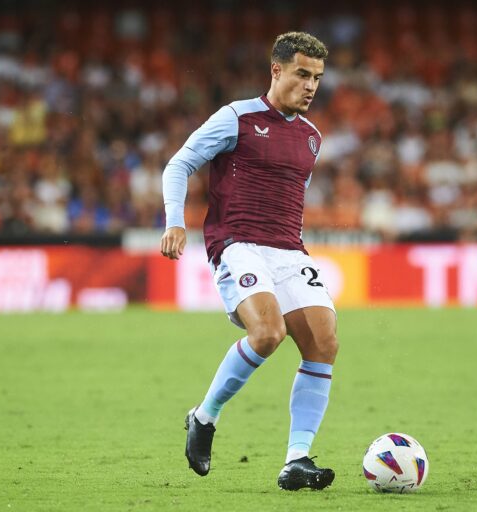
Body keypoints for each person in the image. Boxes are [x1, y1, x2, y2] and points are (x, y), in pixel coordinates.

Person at [160, 32, 338, 491]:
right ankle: (204, 417)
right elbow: (178, 165)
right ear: (276, 70)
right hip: (238, 242)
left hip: (288, 249)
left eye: (317, 77)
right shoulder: (236, 117)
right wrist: (175, 222)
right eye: (302, 74)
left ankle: (297, 459)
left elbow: (290, 198)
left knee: (323, 343)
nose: (311, 86)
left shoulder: (312, 138)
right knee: (268, 332)